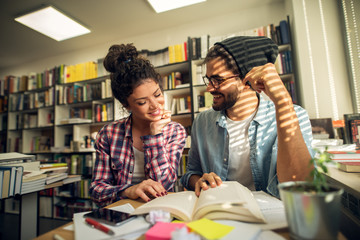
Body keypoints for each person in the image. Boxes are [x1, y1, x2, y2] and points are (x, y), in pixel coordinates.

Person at [180, 36, 314, 197]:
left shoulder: (293, 115)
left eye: (217, 80)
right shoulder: (203, 122)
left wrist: (283, 102)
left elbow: (302, 187)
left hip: (272, 217)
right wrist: (200, 181)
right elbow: (191, 173)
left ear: (247, 79)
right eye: (208, 80)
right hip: (221, 212)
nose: (209, 88)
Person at [90, 43, 187, 207]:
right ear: (126, 105)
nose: (155, 105)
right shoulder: (108, 134)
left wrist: (155, 135)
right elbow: (97, 190)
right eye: (142, 102)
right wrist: (128, 190)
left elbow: (164, 184)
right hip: (121, 211)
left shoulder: (175, 131)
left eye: (157, 94)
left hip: (160, 209)